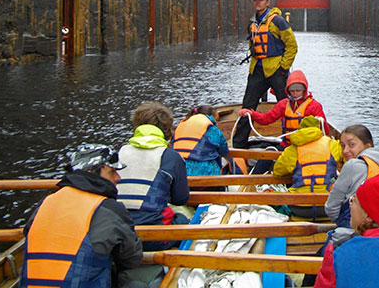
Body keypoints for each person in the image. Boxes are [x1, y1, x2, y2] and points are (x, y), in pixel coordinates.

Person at [20, 144, 144, 288]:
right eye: (112, 171)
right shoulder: (111, 209)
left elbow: (28, 232)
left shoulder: (46, 203)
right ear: (91, 172)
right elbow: (132, 260)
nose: (118, 178)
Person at [117, 102, 189, 250]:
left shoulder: (118, 153)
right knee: (182, 218)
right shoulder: (171, 157)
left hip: (117, 235)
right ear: (167, 129)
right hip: (153, 238)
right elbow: (180, 199)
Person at [233, 0, 297, 148]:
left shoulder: (277, 21)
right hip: (258, 70)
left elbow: (292, 45)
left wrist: (283, 67)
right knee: (247, 107)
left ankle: (290, 142)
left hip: (276, 70)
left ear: (267, 2)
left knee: (287, 107)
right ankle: (238, 145)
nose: (257, 2)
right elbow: (252, 44)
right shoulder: (252, 23)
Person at [272, 115, 342, 220]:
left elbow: (277, 172)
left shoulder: (292, 149)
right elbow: (347, 159)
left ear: (300, 130)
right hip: (328, 207)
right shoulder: (332, 144)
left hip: (299, 208)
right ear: (318, 130)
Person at [324, 124, 379, 227]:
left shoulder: (352, 165)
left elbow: (331, 207)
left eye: (351, 145)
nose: (345, 151)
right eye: (343, 146)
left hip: (353, 226)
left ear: (368, 146)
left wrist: (340, 224)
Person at [238, 69, 329, 147]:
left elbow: (325, 130)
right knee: (266, 158)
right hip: (286, 145)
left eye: (298, 91)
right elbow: (266, 119)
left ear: (304, 90)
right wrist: (251, 114)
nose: (295, 94)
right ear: (288, 91)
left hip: (306, 146)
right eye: (292, 91)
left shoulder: (314, 106)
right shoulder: (283, 104)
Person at [172, 105, 229, 177]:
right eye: (216, 120)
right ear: (211, 117)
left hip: (180, 175)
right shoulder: (212, 128)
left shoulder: (181, 125)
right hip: (207, 177)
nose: (217, 124)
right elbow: (224, 151)